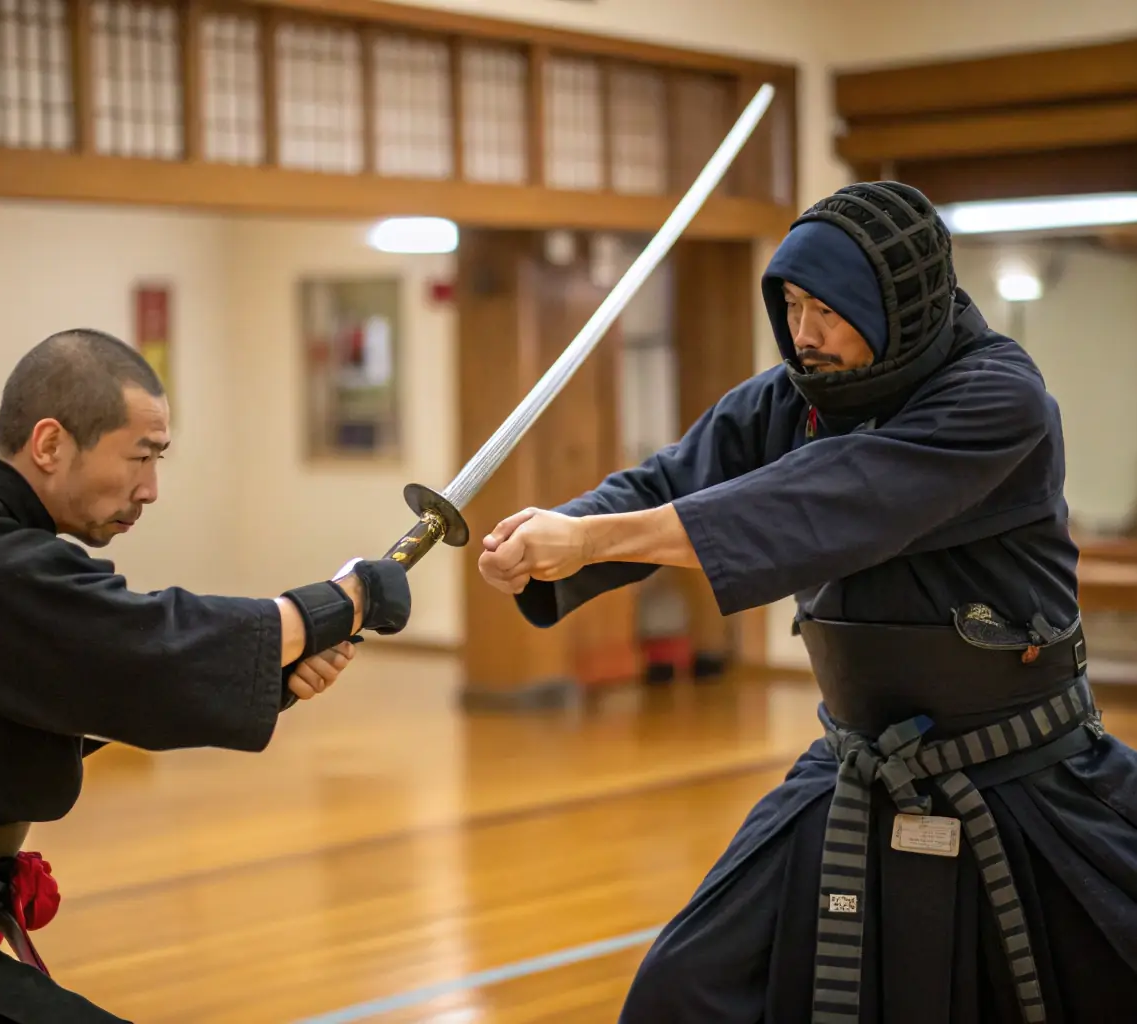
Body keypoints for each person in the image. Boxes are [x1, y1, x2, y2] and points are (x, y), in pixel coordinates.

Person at [478, 182, 1137, 1022]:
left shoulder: (997, 398)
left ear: (901, 302)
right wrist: (552, 541)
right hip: (858, 764)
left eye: (829, 310)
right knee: (684, 988)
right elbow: (676, 478)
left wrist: (593, 540)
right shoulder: (794, 395)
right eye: (791, 305)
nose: (804, 334)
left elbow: (815, 501)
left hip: (1026, 775)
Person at [0, 328, 413, 1023]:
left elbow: (46, 685)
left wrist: (273, 677)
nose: (151, 488)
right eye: (139, 456)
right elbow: (144, 643)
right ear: (49, 444)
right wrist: (340, 603)